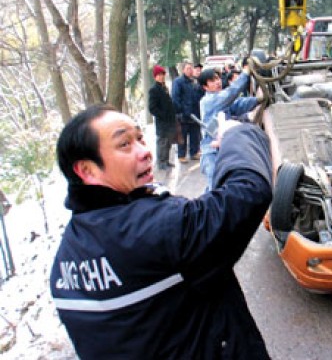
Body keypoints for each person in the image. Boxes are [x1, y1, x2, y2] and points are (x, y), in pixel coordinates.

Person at [50, 104, 273, 359]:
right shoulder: (151, 229)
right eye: (124, 144)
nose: (145, 152)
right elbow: (246, 193)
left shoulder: (65, 262)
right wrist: (238, 134)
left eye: (140, 138)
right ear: (88, 170)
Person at [198, 67, 261, 190]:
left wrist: (257, 100)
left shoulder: (221, 101)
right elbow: (232, 92)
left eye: (217, 78)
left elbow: (237, 105)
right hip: (212, 152)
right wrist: (245, 74)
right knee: (215, 188)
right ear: (205, 87)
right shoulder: (209, 101)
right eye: (212, 81)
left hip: (223, 148)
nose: (217, 82)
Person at [172, 61, 202, 163]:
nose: (190, 70)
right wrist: (181, 111)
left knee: (195, 134)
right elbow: (176, 98)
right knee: (183, 136)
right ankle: (181, 155)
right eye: (188, 68)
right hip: (184, 114)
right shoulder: (178, 82)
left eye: (191, 68)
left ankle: (194, 152)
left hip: (195, 113)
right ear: (183, 70)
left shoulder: (194, 82)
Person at [148, 65, 176, 169]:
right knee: (162, 143)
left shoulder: (164, 87)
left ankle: (166, 161)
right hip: (162, 122)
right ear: (155, 77)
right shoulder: (154, 89)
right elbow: (152, 108)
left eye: (162, 74)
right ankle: (161, 163)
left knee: (168, 143)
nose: (161, 77)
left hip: (169, 121)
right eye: (159, 75)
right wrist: (163, 115)